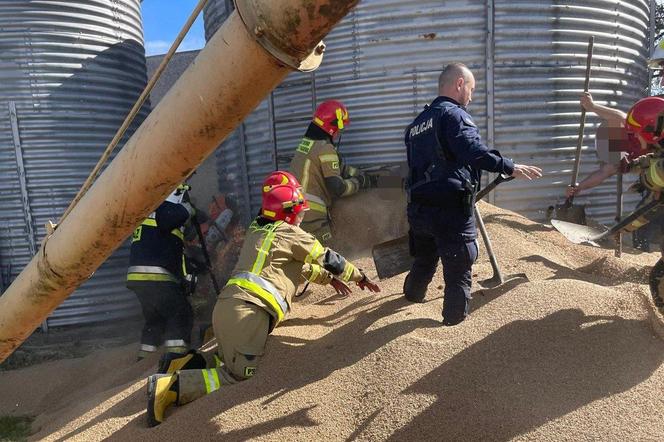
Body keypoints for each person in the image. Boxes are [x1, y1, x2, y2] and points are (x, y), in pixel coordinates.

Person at [145, 172, 380, 426]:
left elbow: (296, 267)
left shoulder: (259, 230)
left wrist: (325, 279)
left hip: (226, 308)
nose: (303, 216)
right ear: (290, 212)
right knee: (236, 374)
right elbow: (328, 258)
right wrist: (360, 276)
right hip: (248, 314)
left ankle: (181, 362)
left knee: (224, 357)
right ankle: (169, 388)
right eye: (300, 211)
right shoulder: (293, 234)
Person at [403, 62, 542, 326]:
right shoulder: (453, 115)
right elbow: (473, 151)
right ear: (458, 84)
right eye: (471, 88)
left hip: (419, 210)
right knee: (458, 271)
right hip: (449, 211)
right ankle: (454, 327)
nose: (471, 95)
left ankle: (411, 298)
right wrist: (510, 166)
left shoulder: (417, 124)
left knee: (425, 259)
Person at [566, 94, 662, 250]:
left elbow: (617, 116)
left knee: (647, 218)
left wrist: (592, 107)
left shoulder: (634, 128)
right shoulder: (623, 157)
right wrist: (579, 187)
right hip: (655, 183)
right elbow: (604, 172)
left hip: (657, 176)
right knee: (644, 220)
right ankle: (642, 249)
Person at [288, 100, 377, 243]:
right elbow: (338, 188)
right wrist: (358, 182)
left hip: (293, 210)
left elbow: (338, 168)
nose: (339, 133)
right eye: (339, 129)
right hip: (310, 216)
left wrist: (359, 174)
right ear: (332, 127)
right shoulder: (325, 148)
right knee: (327, 257)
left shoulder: (307, 144)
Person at [127, 184, 196, 360]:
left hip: (138, 276)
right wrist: (187, 210)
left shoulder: (148, 206)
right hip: (156, 274)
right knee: (180, 313)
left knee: (155, 320)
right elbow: (168, 219)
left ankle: (144, 358)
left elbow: (174, 249)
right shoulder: (165, 207)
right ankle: (175, 358)